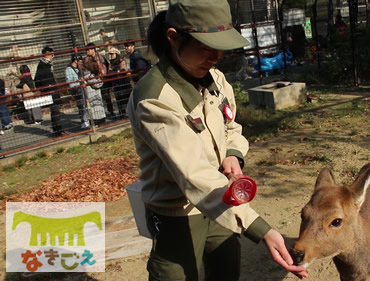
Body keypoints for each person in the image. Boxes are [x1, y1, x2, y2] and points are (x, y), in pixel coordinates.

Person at [127, 1, 309, 280]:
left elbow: (230, 125)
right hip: (176, 213)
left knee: (226, 270)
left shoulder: (215, 79)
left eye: (219, 47)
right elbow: (194, 175)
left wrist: (232, 154)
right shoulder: (156, 98)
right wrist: (262, 230)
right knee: (174, 275)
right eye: (204, 47)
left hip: (222, 203)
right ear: (173, 37)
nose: (215, 57)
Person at [34, 46, 68, 137]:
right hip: (50, 92)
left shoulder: (47, 64)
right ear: (46, 55)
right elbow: (38, 79)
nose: (53, 56)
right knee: (55, 111)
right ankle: (58, 131)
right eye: (51, 54)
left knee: (56, 112)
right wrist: (48, 87)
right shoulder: (42, 65)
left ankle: (59, 130)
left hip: (53, 91)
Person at [84, 42, 114, 118]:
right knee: (97, 98)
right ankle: (100, 114)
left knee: (106, 96)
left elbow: (107, 65)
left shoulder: (101, 57)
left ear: (93, 49)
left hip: (103, 79)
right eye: (86, 49)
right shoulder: (87, 59)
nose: (87, 51)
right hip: (94, 80)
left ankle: (111, 111)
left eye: (89, 49)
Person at [65, 54, 89, 129]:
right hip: (76, 89)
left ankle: (87, 119)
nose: (81, 62)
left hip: (83, 88)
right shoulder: (69, 69)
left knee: (86, 104)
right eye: (80, 61)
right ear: (75, 61)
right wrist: (78, 82)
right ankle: (83, 120)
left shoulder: (80, 68)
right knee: (81, 105)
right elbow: (69, 82)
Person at [107, 47, 132, 118]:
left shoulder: (121, 61)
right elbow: (109, 72)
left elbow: (123, 70)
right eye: (110, 54)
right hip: (116, 83)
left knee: (126, 97)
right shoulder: (111, 63)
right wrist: (116, 72)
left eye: (112, 54)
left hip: (123, 82)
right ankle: (122, 113)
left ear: (116, 54)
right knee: (118, 98)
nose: (110, 55)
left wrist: (116, 72)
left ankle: (129, 112)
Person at [82, 61, 106, 127]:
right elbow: (98, 84)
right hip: (95, 98)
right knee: (96, 116)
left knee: (92, 114)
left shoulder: (86, 76)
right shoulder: (95, 77)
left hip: (90, 98)